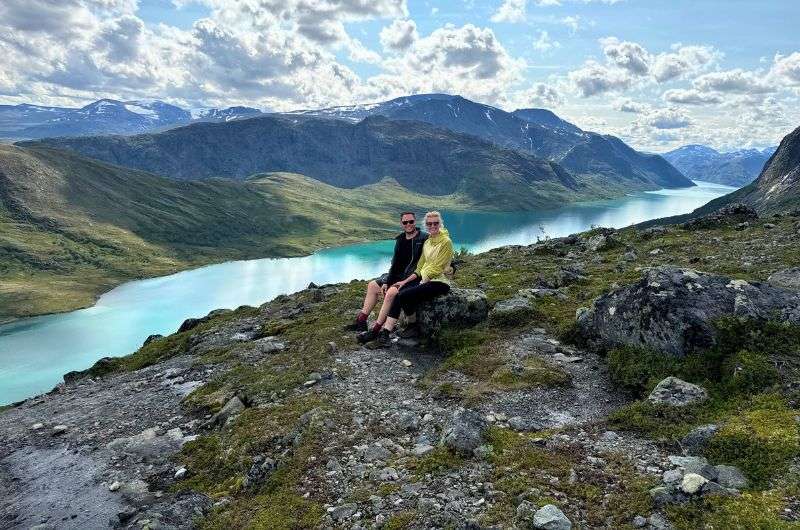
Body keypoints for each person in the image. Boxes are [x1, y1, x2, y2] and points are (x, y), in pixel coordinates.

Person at [370, 211, 453, 347]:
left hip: (439, 282)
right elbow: (420, 266)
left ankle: (407, 327)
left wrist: (423, 280)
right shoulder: (428, 242)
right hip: (425, 279)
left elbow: (438, 268)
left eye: (436, 223)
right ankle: (387, 333)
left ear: (440, 224)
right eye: (429, 223)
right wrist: (404, 282)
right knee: (400, 292)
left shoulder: (446, 242)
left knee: (403, 296)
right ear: (426, 225)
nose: (433, 226)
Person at [350, 211, 428, 335]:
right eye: (405, 222)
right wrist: (387, 281)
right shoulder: (400, 239)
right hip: (397, 276)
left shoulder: (424, 238)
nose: (408, 224)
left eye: (411, 221)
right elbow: (394, 264)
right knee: (373, 286)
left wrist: (450, 266)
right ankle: (361, 321)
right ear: (401, 223)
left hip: (412, 278)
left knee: (390, 293)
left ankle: (377, 330)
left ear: (415, 222)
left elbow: (436, 252)